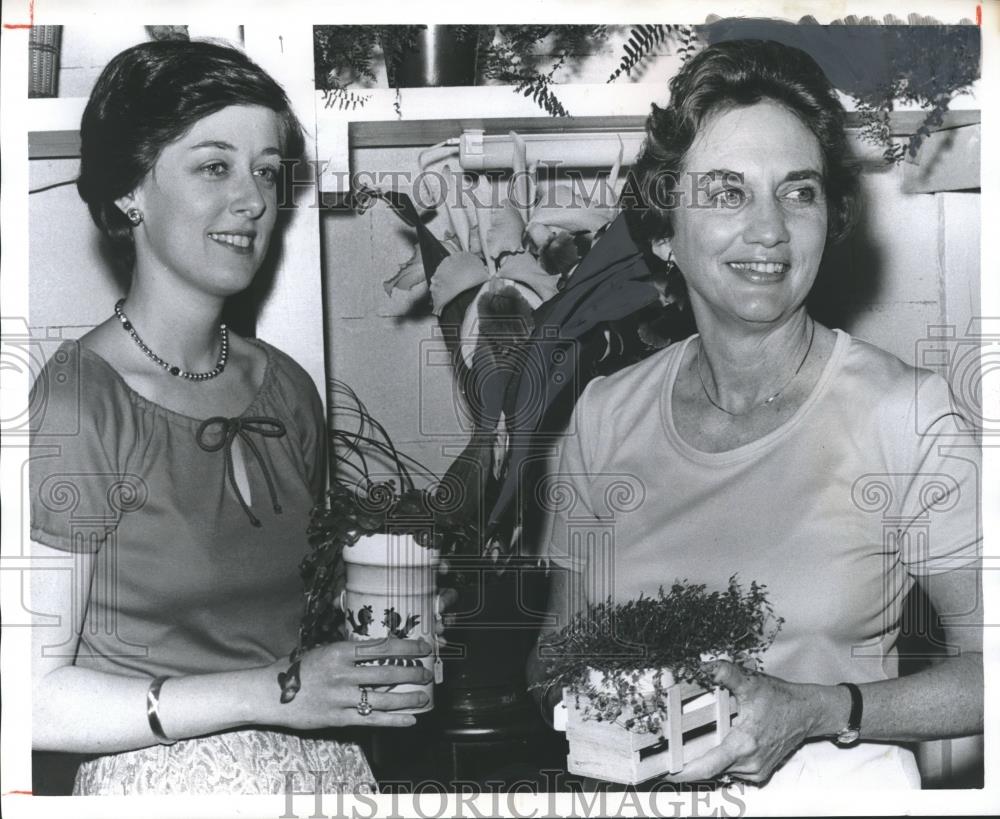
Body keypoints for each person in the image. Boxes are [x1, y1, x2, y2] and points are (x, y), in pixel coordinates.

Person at [530, 39, 982, 789]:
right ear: (665, 229)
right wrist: (617, 703)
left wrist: (820, 708)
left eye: (798, 191)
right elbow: (554, 657)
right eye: (727, 192)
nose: (770, 228)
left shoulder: (906, 415)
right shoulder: (605, 416)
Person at [29, 39, 433, 795]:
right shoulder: (78, 400)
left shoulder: (287, 388)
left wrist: (379, 626)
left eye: (268, 172)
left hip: (326, 775)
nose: (254, 199)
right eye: (215, 166)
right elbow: (25, 700)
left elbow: (283, 617)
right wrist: (279, 690)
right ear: (130, 192)